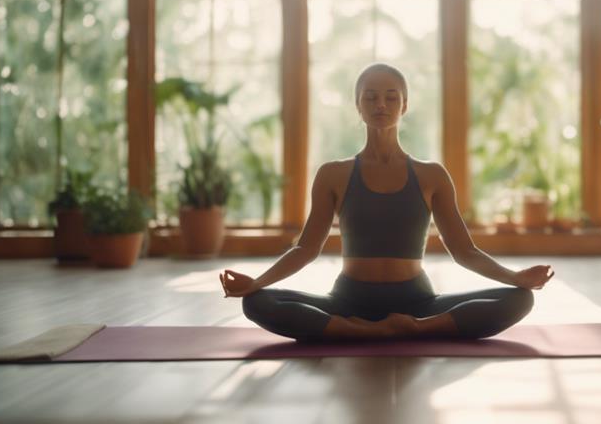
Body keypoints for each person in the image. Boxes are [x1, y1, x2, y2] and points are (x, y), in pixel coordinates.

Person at [219, 63, 554, 341]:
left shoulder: (431, 175)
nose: (381, 105)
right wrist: (257, 283)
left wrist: (515, 278)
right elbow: (306, 249)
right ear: (358, 105)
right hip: (348, 299)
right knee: (256, 303)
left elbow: (464, 252)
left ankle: (413, 327)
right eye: (371, 97)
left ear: (404, 105)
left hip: (416, 301)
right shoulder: (333, 174)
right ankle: (361, 330)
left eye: (391, 97)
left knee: (519, 300)